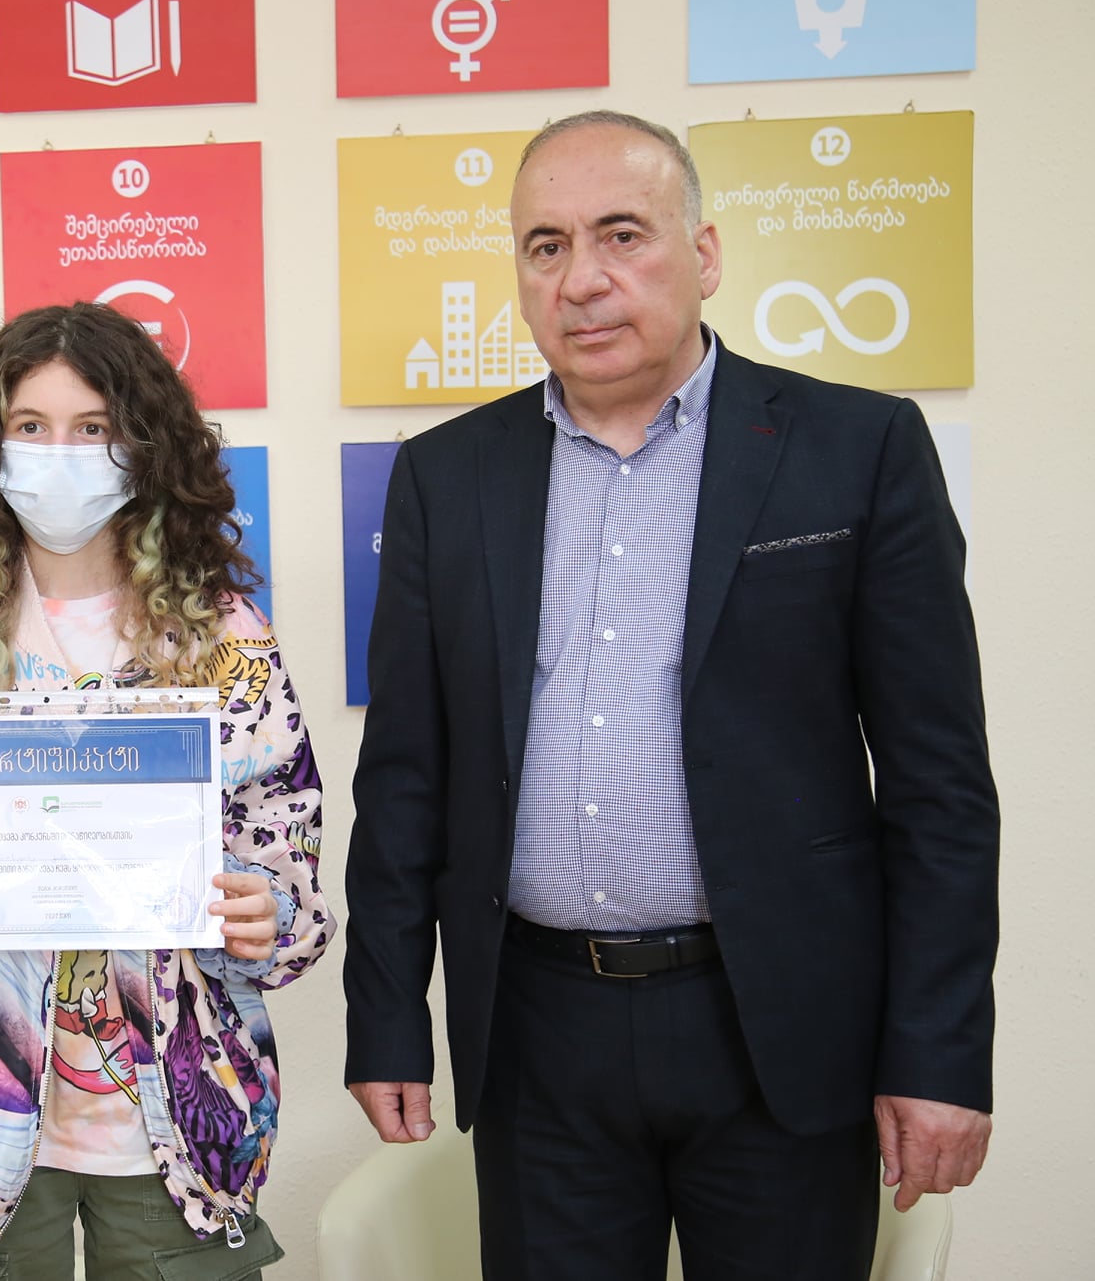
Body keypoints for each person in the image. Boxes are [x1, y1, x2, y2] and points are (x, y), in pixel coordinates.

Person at [343, 111, 998, 1280]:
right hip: (538, 1036)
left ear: (701, 255)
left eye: (620, 234)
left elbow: (937, 791)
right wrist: (386, 1017)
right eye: (544, 246)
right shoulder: (447, 475)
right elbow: (404, 779)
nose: (581, 279)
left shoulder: (855, 450)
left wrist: (936, 1053)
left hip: (778, 1029)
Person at [0, 302, 332, 1280]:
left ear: (144, 446)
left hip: (176, 1134)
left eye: (92, 427)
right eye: (30, 426)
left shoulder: (225, 644)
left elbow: (291, 884)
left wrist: (265, 912)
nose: (59, 455)